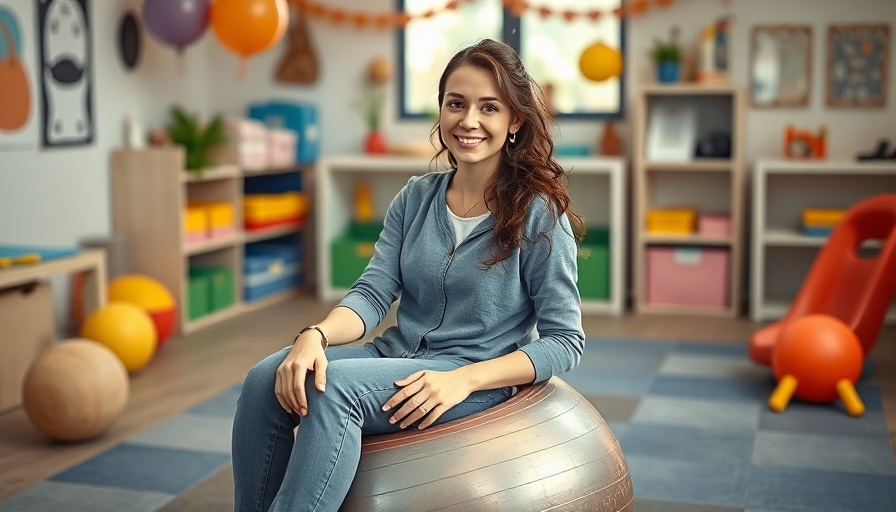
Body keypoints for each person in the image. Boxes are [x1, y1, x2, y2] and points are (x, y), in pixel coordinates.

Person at [231, 38, 586, 512]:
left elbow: (565, 341)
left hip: (472, 374)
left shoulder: (539, 214)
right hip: (397, 355)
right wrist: (314, 336)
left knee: (334, 392)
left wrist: (467, 379)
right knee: (264, 378)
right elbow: (373, 294)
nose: (469, 121)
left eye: (489, 107)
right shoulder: (416, 198)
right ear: (440, 110)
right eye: (456, 104)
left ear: (514, 121)